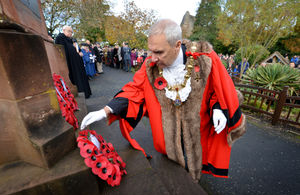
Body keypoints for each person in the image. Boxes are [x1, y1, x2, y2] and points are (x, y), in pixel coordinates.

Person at [80, 19, 246, 181]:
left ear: (176, 45)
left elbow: (218, 88)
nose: (152, 58)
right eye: (150, 51)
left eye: (159, 52)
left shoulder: (204, 59)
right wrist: (106, 110)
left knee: (193, 174)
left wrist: (218, 107)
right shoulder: (150, 66)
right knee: (173, 176)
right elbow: (135, 90)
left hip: (198, 133)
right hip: (167, 138)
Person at [55, 25, 91, 99]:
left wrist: (79, 52)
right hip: (71, 64)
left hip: (77, 63)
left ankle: (85, 92)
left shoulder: (71, 40)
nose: (70, 33)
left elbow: (76, 49)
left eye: (71, 32)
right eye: (69, 31)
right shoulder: (60, 38)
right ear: (63, 30)